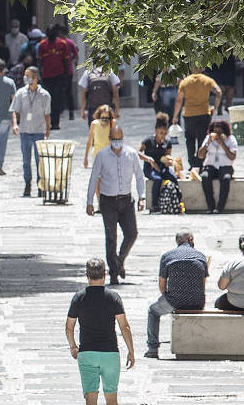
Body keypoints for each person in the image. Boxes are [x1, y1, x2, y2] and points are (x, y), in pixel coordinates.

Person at [64, 258, 137, 405]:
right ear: (105, 275)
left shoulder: (78, 298)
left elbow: (69, 326)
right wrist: (131, 350)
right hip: (110, 354)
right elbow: (124, 326)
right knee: (111, 395)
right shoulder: (113, 297)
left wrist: (73, 346)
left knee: (91, 397)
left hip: (87, 353)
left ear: (87, 276)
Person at [81, 124, 139, 278]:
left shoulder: (131, 154)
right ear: (109, 139)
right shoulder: (102, 155)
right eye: (114, 140)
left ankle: (120, 260)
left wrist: (142, 196)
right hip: (108, 201)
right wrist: (89, 201)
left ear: (123, 139)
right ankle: (113, 272)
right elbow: (94, 178)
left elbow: (139, 176)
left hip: (126, 200)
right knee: (111, 237)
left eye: (119, 139)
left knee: (132, 233)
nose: (116, 143)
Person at [147, 230, 209, 358]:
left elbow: (162, 285)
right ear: (190, 239)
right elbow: (203, 284)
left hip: (174, 301)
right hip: (196, 302)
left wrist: (168, 296)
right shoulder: (201, 256)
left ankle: (153, 349)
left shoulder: (167, 256)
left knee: (153, 311)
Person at [12, 66, 52, 195]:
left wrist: (47, 130)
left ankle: (40, 186)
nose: (25, 78)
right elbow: (14, 110)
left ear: (35, 78)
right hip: (24, 131)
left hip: (39, 131)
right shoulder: (20, 93)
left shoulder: (44, 95)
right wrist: (15, 124)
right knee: (26, 161)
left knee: (39, 160)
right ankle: (27, 184)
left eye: (28, 76)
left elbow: (47, 114)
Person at [138, 115, 182, 211]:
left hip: (163, 167)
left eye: (165, 133)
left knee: (173, 178)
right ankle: (155, 205)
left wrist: (169, 162)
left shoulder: (167, 142)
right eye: (160, 133)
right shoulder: (148, 141)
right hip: (150, 168)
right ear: (156, 131)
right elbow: (137, 153)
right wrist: (149, 159)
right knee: (157, 179)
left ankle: (177, 201)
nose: (163, 135)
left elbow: (168, 156)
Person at [176, 65, 223, 150]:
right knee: (202, 139)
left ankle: (192, 160)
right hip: (204, 113)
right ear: (202, 68)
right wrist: (215, 108)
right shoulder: (207, 80)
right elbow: (218, 92)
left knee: (190, 139)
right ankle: (200, 160)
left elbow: (179, 100)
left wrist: (175, 116)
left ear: (191, 68)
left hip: (189, 115)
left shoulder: (185, 82)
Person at [197, 119, 237, 213]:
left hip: (225, 166)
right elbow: (200, 155)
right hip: (211, 165)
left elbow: (232, 156)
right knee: (205, 177)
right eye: (215, 131)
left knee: (226, 178)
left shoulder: (230, 139)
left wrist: (222, 144)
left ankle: (220, 207)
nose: (217, 134)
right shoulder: (208, 138)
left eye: (219, 131)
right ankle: (210, 206)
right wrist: (208, 144)